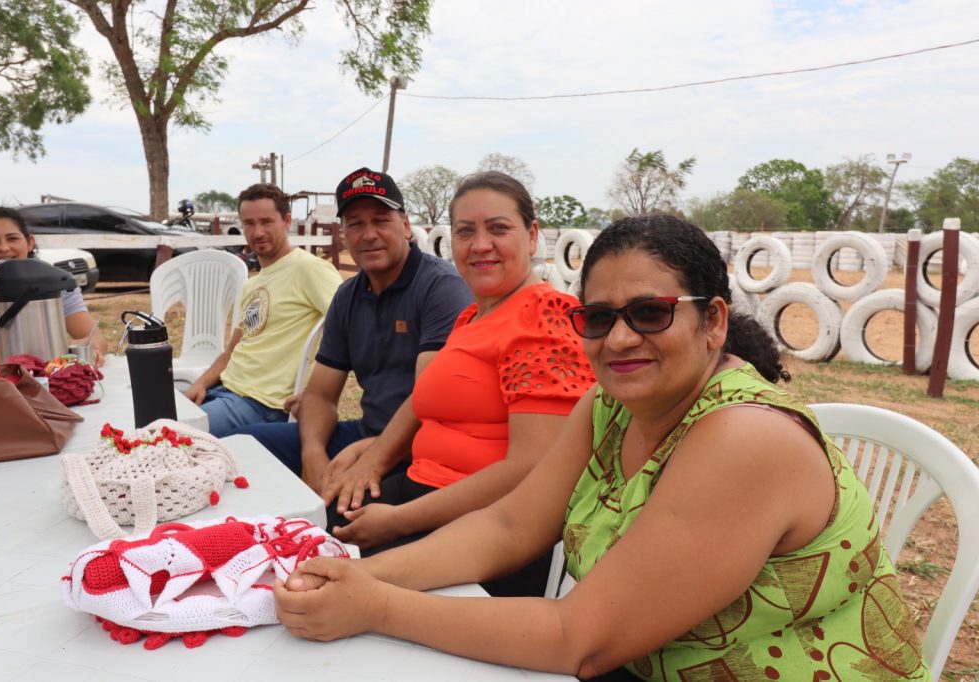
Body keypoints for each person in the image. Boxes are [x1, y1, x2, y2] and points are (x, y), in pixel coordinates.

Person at [275, 216, 929, 681]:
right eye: (596, 317)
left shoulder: (743, 438)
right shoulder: (609, 406)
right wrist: (360, 575)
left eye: (650, 313)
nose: (617, 339)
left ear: (714, 321)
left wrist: (376, 606)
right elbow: (508, 527)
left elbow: (578, 641)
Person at [319, 171, 596, 597]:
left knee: (332, 587)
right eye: (466, 231)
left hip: (487, 530)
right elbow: (422, 401)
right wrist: (371, 457)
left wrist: (400, 519)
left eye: (499, 228)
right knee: (313, 531)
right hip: (419, 492)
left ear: (532, 235)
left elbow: (531, 467)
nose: (480, 244)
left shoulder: (545, 317)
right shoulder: (472, 318)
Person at [228, 167, 473, 491]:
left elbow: (429, 399)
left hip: (425, 448)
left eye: (381, 220)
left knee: (344, 516)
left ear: (405, 225)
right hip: (364, 433)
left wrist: (371, 460)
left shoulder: (440, 288)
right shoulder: (349, 296)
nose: (368, 234)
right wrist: (313, 456)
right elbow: (320, 394)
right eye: (356, 224)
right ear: (343, 234)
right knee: (241, 447)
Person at [184, 183, 342, 437]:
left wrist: (316, 394)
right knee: (154, 416)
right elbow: (232, 350)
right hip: (224, 390)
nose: (257, 232)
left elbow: (352, 327)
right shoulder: (252, 285)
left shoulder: (309, 269)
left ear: (287, 221)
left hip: (262, 404)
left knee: (171, 433)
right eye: (249, 223)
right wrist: (201, 383)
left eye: (267, 222)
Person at [0, 207, 109, 370]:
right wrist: (53, 355)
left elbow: (96, 338)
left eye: (12, 238)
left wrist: (90, 346)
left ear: (29, 243)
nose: (4, 248)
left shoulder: (56, 283)